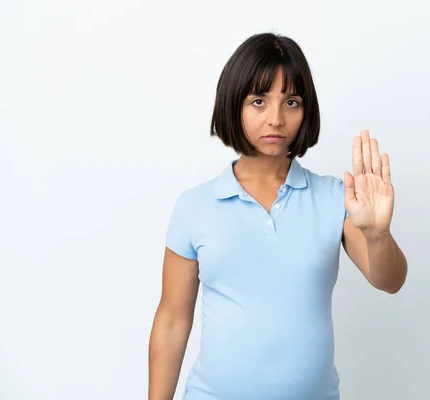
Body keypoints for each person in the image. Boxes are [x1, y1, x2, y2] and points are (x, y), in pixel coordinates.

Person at [148, 32, 408, 400]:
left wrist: (379, 234)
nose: (276, 118)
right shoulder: (195, 207)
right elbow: (173, 321)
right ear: (233, 105)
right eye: (258, 101)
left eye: (291, 101)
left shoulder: (336, 198)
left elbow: (390, 280)